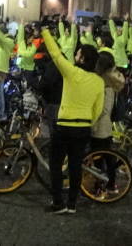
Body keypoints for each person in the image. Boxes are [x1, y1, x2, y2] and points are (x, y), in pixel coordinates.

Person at [42, 28, 103, 214]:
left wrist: (45, 31)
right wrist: (89, 122)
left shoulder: (72, 72)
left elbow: (55, 53)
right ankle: (72, 204)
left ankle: (58, 202)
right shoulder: (99, 81)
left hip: (64, 126)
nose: (75, 55)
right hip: (83, 127)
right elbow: (97, 109)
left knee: (56, 164)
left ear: (82, 59)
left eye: (77, 54)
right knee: (76, 165)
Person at [91, 51, 125, 198]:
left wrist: (90, 121)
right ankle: (110, 184)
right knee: (107, 156)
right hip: (103, 126)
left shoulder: (106, 85)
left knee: (99, 158)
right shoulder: (107, 81)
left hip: (100, 127)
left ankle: (102, 186)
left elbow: (104, 110)